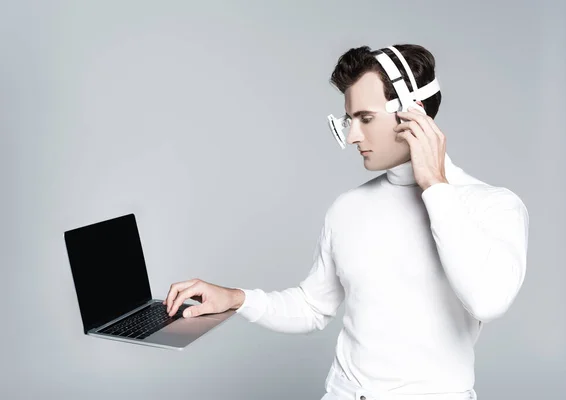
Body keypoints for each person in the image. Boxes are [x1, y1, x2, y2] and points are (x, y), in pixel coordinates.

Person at [164, 44, 529, 400]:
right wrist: (236, 299)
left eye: (366, 119)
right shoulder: (348, 208)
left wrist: (434, 183)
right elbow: (311, 306)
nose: (354, 136)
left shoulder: (492, 205)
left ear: (413, 112)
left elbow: (487, 301)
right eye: (350, 120)